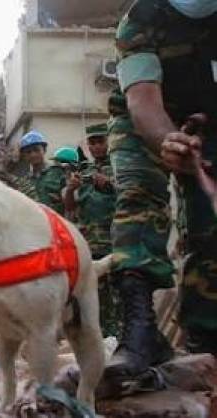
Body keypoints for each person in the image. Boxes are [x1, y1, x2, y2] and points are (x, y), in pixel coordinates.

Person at [104, 0, 217, 385]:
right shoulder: (142, 18)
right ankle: (140, 331)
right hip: (145, 121)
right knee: (140, 195)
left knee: (209, 221)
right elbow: (143, 100)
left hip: (209, 118)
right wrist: (167, 140)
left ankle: (205, 337)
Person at [63, 123, 121, 337]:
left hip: (115, 241)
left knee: (119, 292)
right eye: (92, 143)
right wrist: (71, 189)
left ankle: (121, 336)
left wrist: (109, 184)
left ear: (107, 142)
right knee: (95, 293)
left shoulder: (119, 168)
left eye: (100, 141)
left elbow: (131, 196)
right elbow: (69, 207)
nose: (96, 146)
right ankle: (103, 336)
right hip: (89, 244)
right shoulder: (83, 172)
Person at [19, 131, 67, 214]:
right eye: (28, 152)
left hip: (57, 222)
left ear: (44, 150)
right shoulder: (24, 182)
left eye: (36, 150)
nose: (33, 155)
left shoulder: (59, 172)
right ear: (24, 156)